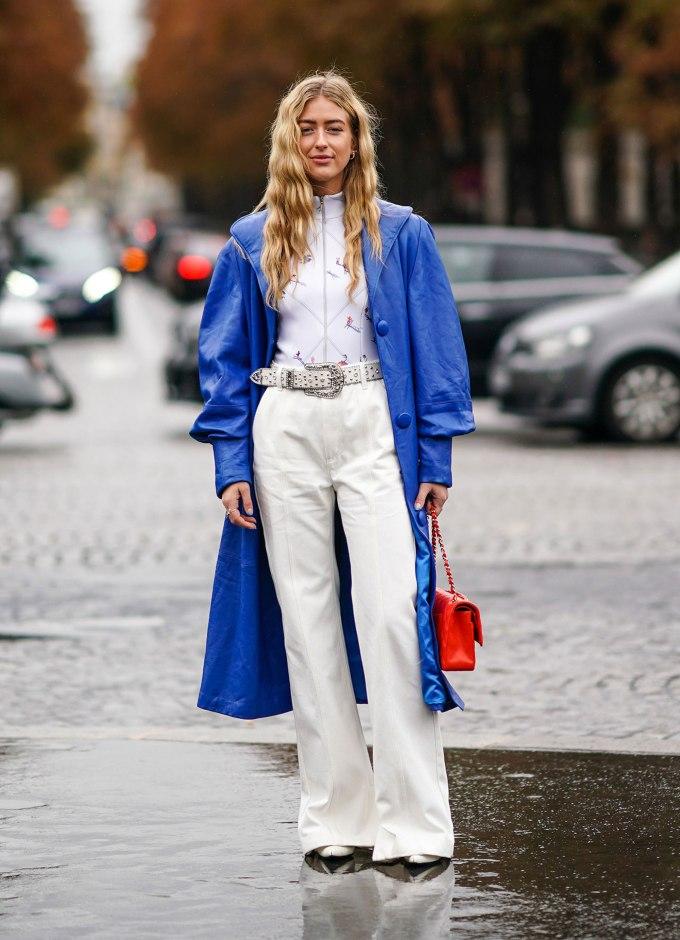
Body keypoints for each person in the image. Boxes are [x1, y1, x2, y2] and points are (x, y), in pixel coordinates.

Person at [189, 70, 476, 867]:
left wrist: (437, 455)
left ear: (357, 140)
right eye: (308, 127)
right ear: (291, 137)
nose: (321, 140)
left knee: (391, 617)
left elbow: (439, 350)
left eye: (335, 127)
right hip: (284, 422)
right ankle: (335, 818)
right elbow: (221, 361)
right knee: (308, 627)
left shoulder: (401, 232)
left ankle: (415, 825)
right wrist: (230, 461)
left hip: (373, 419)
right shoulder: (252, 240)